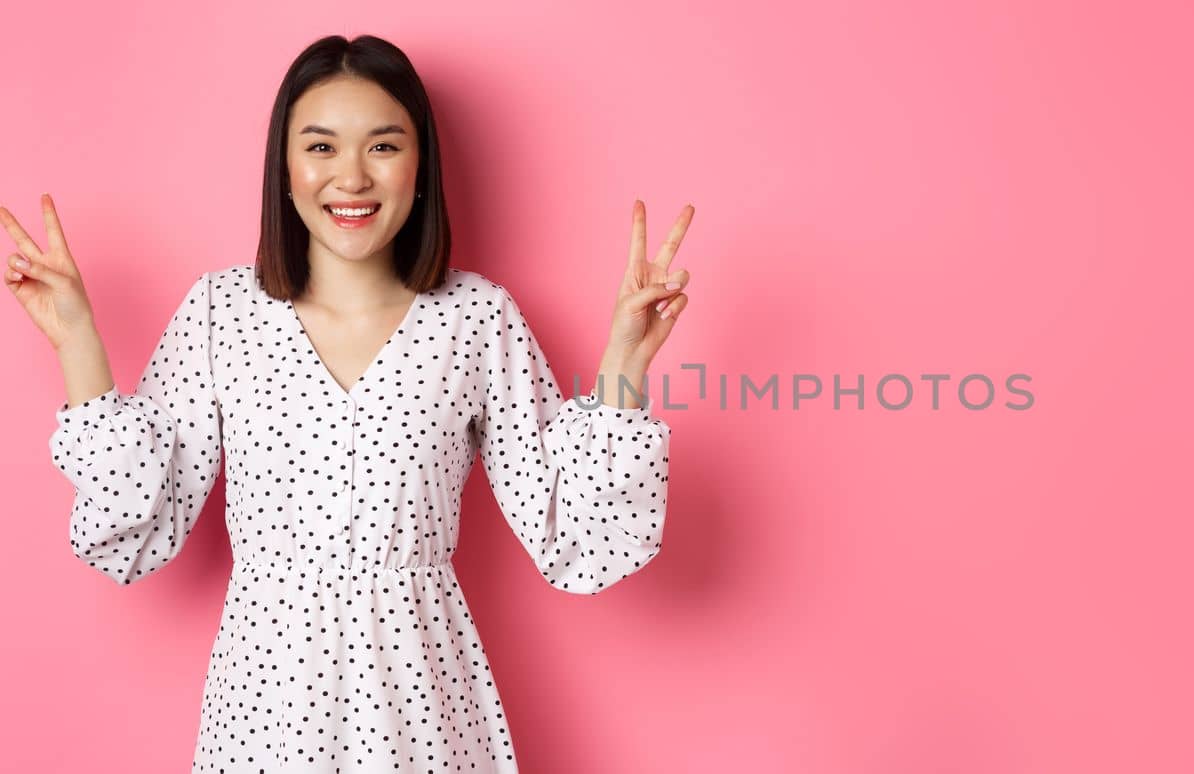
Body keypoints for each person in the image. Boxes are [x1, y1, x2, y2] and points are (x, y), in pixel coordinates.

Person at [3, 34, 692, 772]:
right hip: (265, 708)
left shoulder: (476, 319)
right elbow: (139, 525)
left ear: (420, 165)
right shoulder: (221, 314)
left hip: (421, 703)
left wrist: (625, 359)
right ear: (286, 169)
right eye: (322, 148)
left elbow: (571, 531)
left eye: (384, 146)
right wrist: (77, 341)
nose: (353, 178)